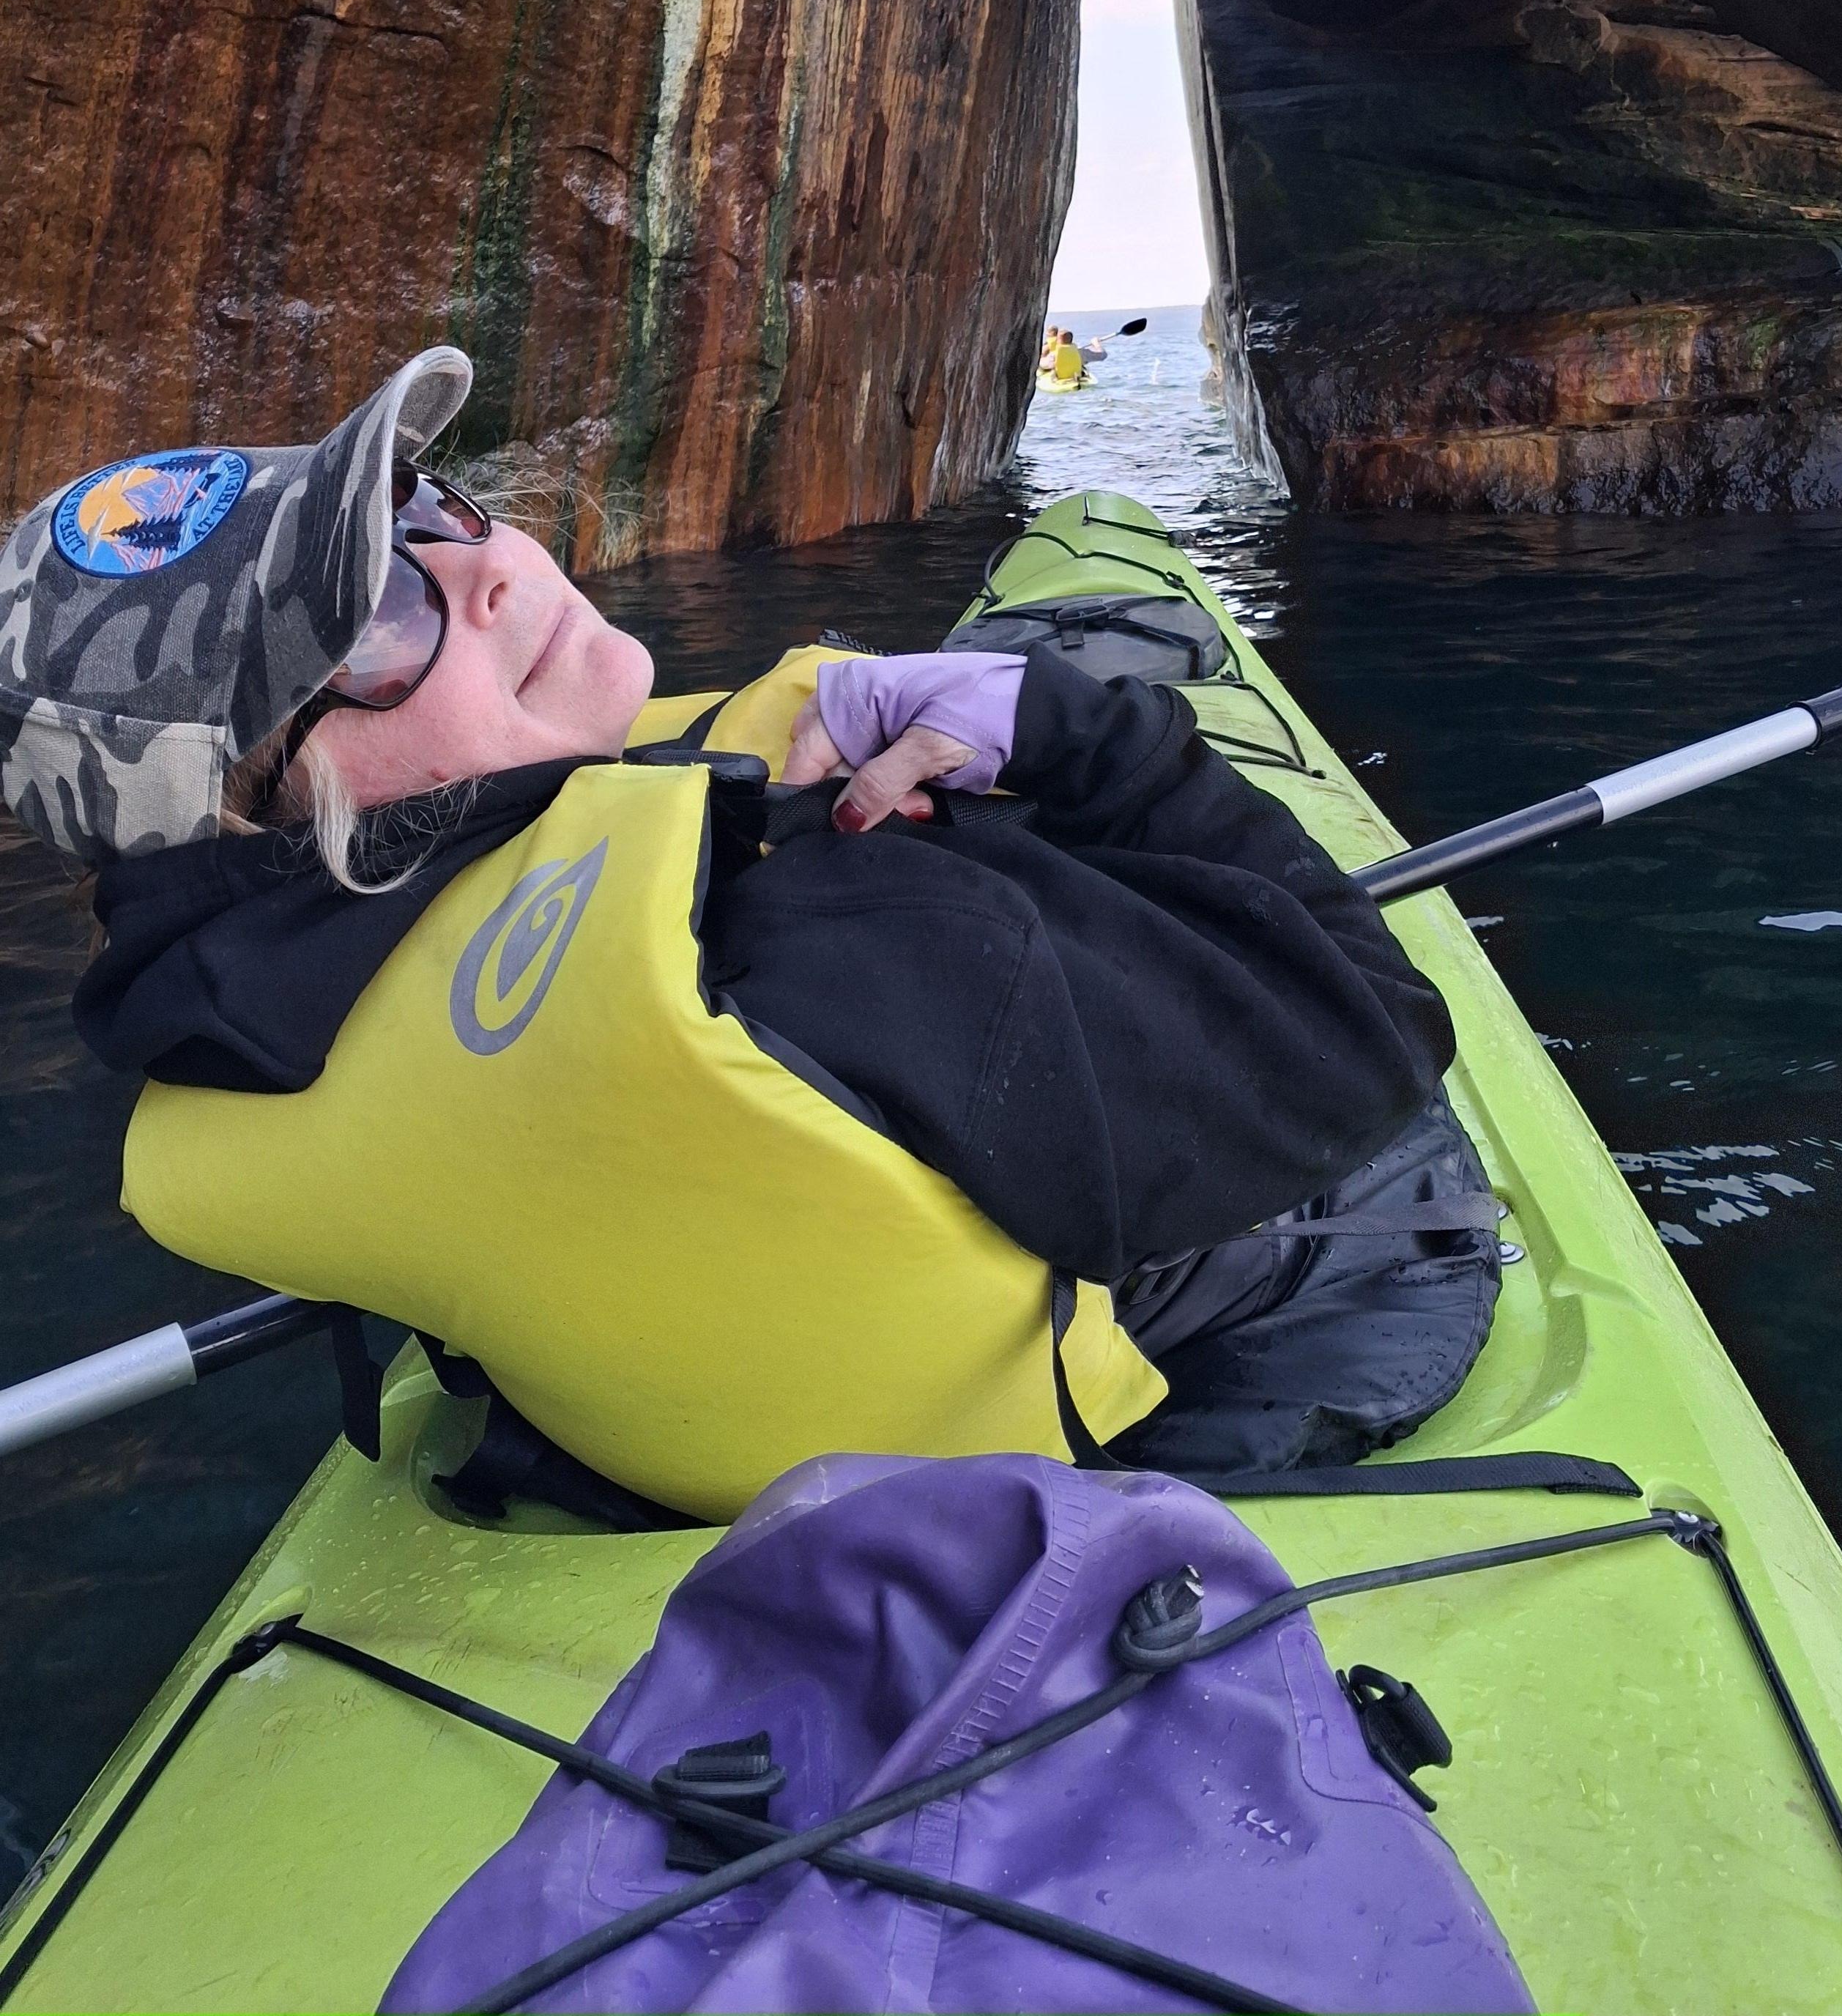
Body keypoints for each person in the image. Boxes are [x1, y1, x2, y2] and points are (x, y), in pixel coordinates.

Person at [0, 350, 1499, 1519]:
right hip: (1281, 1311)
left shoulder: (234, 1035)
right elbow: (1373, 1034)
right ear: (254, 804)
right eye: (382, 613)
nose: (497, 563)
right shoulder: (850, 929)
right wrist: (1089, 739)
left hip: (687, 1446)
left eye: (431, 508)